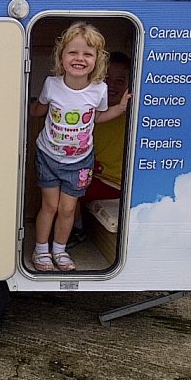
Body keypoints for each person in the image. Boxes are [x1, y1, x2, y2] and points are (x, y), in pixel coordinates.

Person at [30, 22, 131, 271]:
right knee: (50, 206)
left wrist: (119, 109)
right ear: (61, 56)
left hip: (80, 161)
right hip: (49, 156)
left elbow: (96, 117)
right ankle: (41, 250)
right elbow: (41, 108)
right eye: (73, 52)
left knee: (68, 208)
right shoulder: (52, 84)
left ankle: (60, 251)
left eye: (87, 53)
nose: (79, 58)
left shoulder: (99, 89)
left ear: (97, 60)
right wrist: (29, 109)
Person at [67, 51, 131, 247]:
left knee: (68, 191)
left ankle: (77, 230)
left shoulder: (132, 114)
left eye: (120, 81)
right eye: (107, 78)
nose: (112, 85)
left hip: (114, 183)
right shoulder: (90, 111)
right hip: (94, 175)